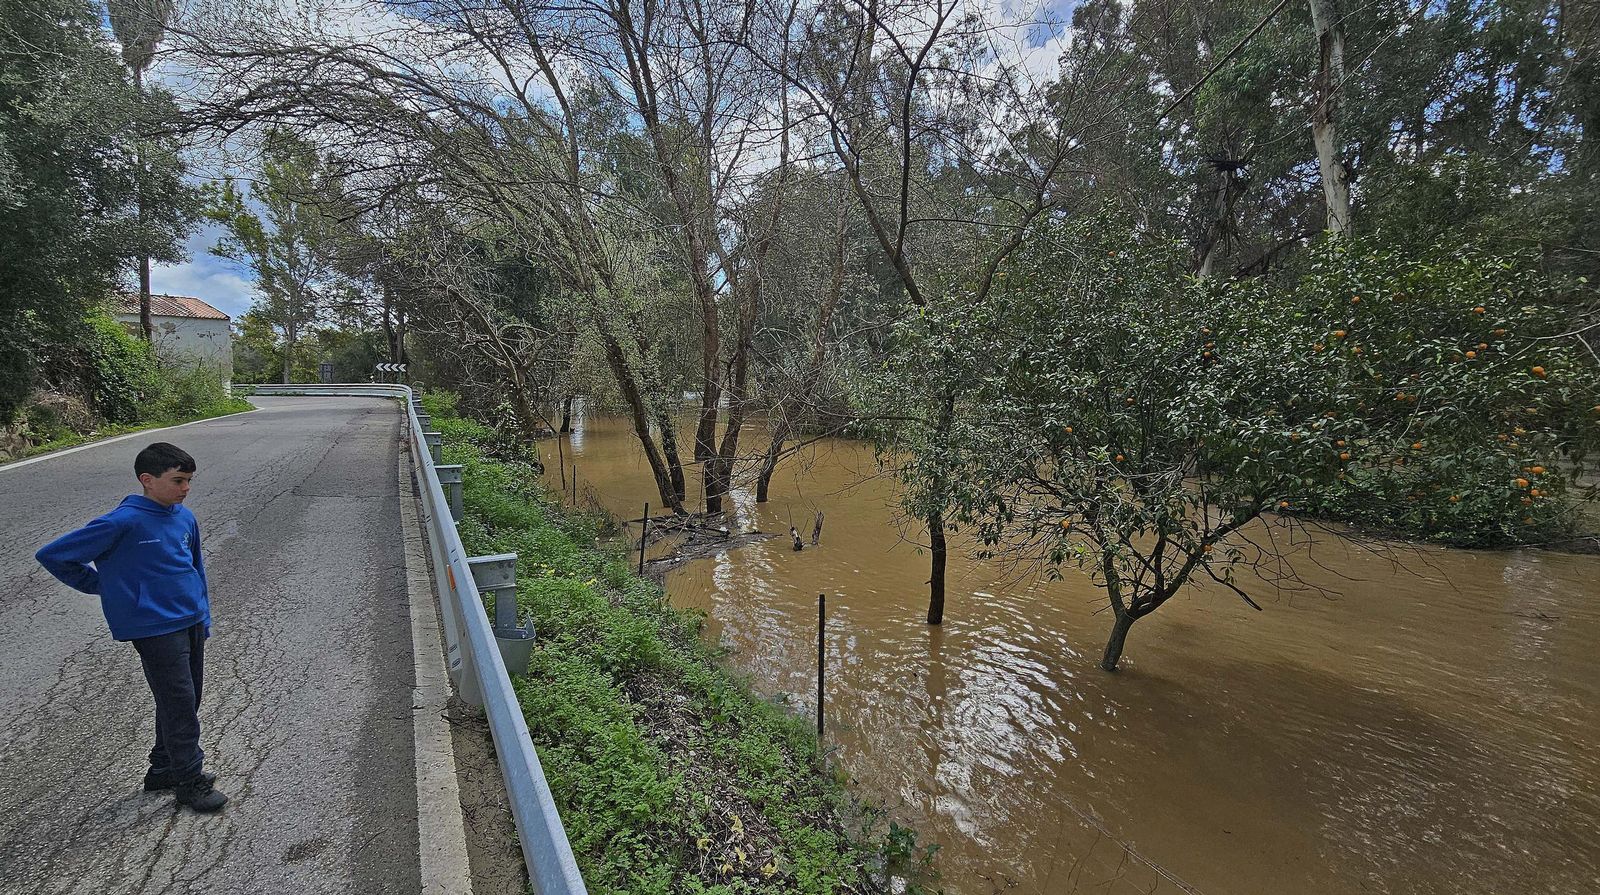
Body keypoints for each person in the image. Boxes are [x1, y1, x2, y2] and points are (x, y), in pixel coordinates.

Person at [35, 442, 227, 813]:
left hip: (188, 617)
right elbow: (54, 555)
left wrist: (203, 614)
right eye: (177, 480)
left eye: (189, 480)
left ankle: (162, 769)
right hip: (153, 626)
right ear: (147, 480)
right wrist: (104, 586)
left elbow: (195, 568)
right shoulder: (122, 522)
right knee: (180, 703)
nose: (185, 488)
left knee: (185, 699)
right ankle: (190, 781)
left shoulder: (183, 517)